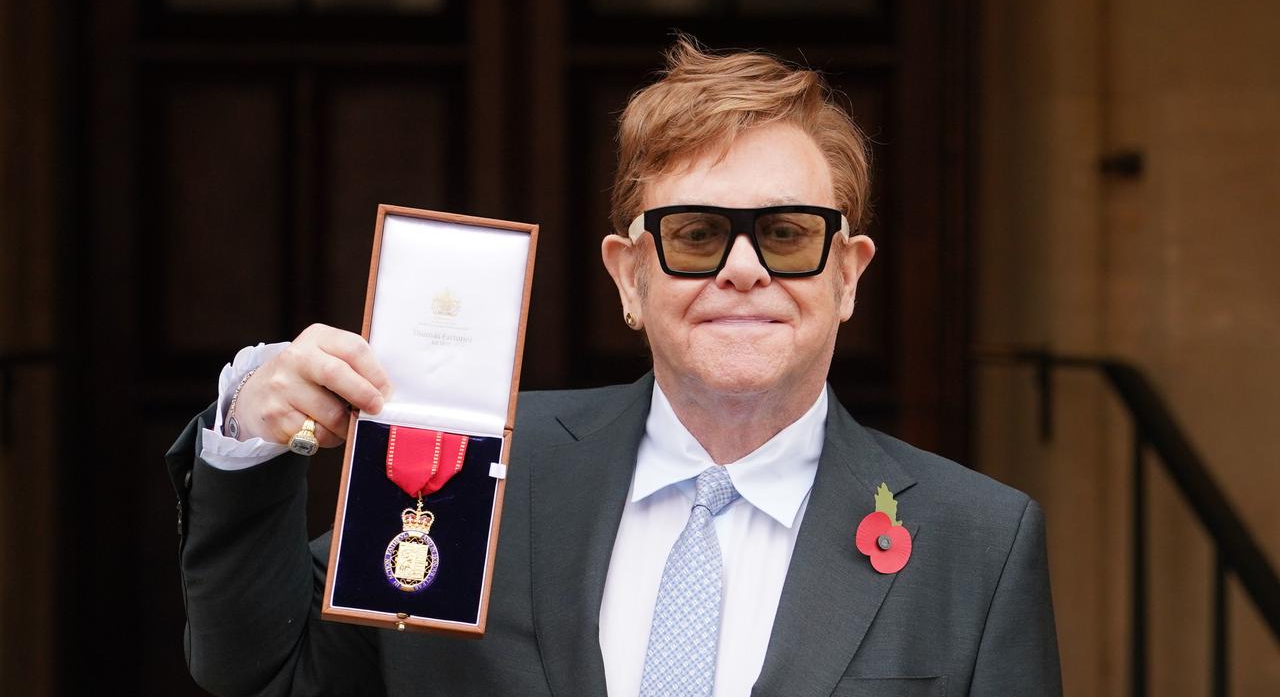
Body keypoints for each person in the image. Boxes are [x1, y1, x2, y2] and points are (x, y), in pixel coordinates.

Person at [166, 38, 1061, 697]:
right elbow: (264, 671)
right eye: (697, 235)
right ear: (629, 277)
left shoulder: (978, 545)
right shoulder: (482, 468)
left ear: (849, 274)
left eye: (787, 235)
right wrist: (250, 427)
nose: (741, 269)